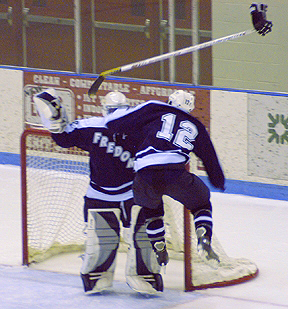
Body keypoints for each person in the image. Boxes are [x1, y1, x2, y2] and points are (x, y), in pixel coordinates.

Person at [33, 89, 164, 295]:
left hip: (133, 193)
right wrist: (56, 121)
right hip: (100, 195)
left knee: (143, 236)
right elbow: (64, 138)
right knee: (102, 239)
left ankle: (145, 275)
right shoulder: (93, 127)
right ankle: (96, 275)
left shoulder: (139, 130)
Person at [103, 90, 225, 268]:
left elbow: (119, 122)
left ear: (169, 101)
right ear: (189, 109)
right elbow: (209, 156)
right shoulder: (195, 125)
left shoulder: (154, 108)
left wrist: (114, 126)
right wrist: (218, 181)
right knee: (201, 204)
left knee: (151, 209)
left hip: (145, 175)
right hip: (176, 174)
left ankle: (158, 246)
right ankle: (204, 236)